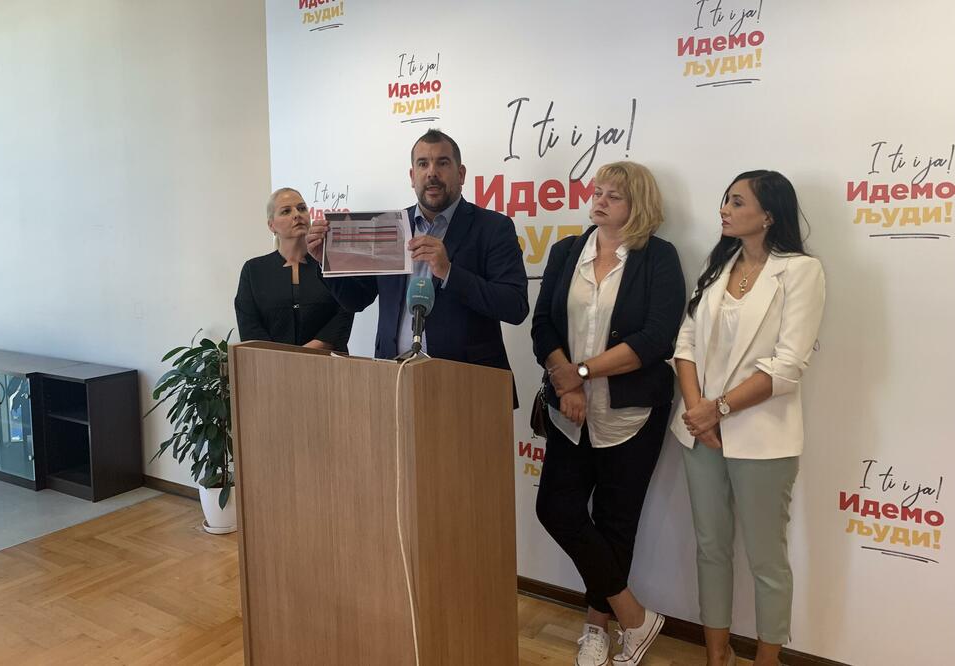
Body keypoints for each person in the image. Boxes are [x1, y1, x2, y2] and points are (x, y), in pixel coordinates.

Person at [531, 161, 686, 666]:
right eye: (597, 191)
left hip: (633, 415)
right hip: (569, 411)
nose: (599, 201)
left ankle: (597, 628)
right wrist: (566, 381)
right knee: (555, 509)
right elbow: (542, 326)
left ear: (638, 206)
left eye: (613, 196)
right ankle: (635, 617)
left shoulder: (659, 258)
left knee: (616, 522)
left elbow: (656, 339)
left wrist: (581, 372)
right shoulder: (565, 252)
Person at [671, 170, 825, 666]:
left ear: (769, 215)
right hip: (701, 436)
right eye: (726, 200)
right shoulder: (717, 265)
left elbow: (787, 366)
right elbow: (685, 344)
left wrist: (716, 409)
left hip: (762, 439)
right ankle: (717, 656)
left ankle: (766, 659)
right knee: (711, 549)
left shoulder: (801, 272)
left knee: (766, 560)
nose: (725, 209)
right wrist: (698, 412)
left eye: (737, 202)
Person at [305, 129, 529, 402]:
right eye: (423, 164)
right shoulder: (390, 227)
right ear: (412, 177)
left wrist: (449, 272)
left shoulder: (493, 228)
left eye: (442, 163)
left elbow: (515, 306)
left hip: (469, 391)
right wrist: (324, 261)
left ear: (460, 174)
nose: (432, 172)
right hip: (395, 382)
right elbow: (357, 300)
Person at [235, 187, 354, 351]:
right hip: (270, 363)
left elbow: (345, 313)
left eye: (301, 208)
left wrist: (305, 353)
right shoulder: (253, 270)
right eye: (286, 211)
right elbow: (249, 325)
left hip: (327, 362)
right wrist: (283, 358)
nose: (297, 214)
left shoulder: (329, 264)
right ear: (271, 225)